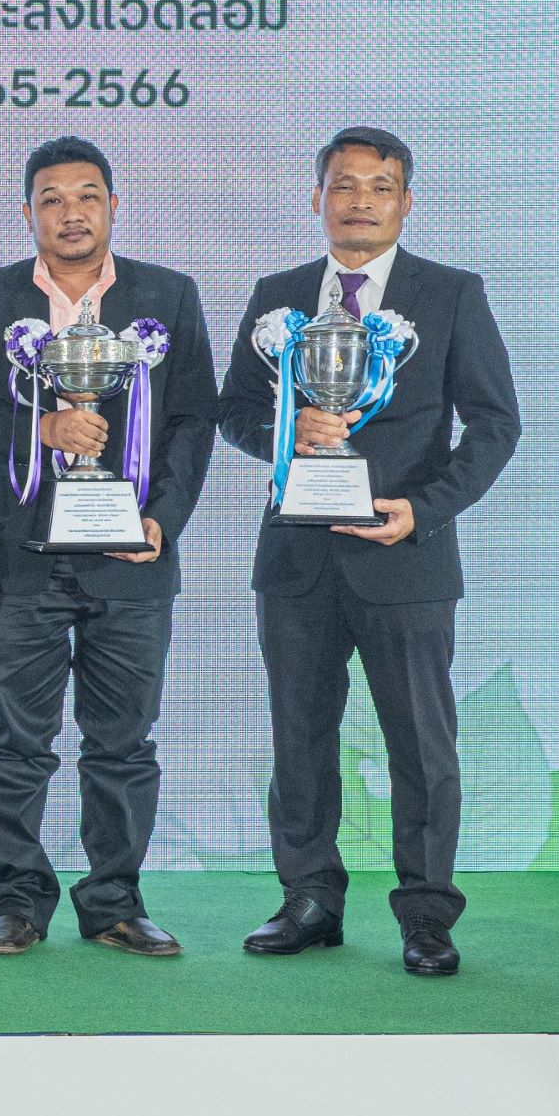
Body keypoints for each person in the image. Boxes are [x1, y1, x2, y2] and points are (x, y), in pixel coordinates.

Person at [218, 126, 521, 977]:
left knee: (420, 745)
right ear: (317, 198)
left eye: (379, 186)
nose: (360, 201)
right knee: (299, 739)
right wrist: (286, 433)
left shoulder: (451, 293)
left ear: (406, 201)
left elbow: (495, 424)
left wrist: (421, 510)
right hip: (296, 559)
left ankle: (426, 915)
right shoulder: (278, 296)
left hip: (405, 557)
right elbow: (234, 409)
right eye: (344, 185)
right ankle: (309, 900)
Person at [0, 136, 216, 957]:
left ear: (113, 206)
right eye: (53, 199)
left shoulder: (167, 295)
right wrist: (42, 427)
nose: (72, 213)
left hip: (132, 558)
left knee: (123, 742)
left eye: (87, 196)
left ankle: (114, 902)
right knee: (13, 739)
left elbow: (192, 417)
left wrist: (161, 519)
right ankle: (15, 901)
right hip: (21, 558)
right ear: (29, 213)